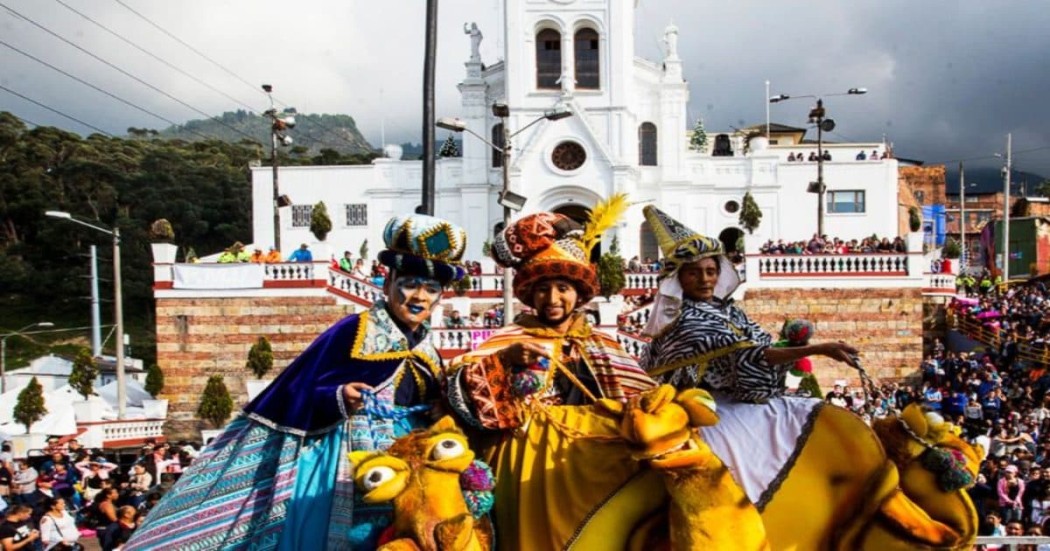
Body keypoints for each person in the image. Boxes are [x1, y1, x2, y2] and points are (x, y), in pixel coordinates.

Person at [124, 214, 468, 550]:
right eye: (410, 284)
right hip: (350, 452)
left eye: (432, 289)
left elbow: (432, 399)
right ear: (389, 280)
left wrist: (440, 406)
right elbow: (295, 389)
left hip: (411, 459)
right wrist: (338, 396)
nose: (419, 297)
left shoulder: (428, 346)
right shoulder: (352, 330)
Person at [446, 205, 654, 548]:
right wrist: (503, 362)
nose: (553, 298)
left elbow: (641, 397)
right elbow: (454, 388)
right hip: (525, 471)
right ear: (531, 295)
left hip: (595, 470)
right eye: (543, 289)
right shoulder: (510, 339)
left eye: (563, 287)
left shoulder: (601, 344)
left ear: (579, 293)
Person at [639, 205, 858, 403]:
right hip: (701, 406)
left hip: (736, 401)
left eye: (710, 271)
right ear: (678, 278)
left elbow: (764, 347)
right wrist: (819, 349)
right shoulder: (686, 320)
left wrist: (795, 346)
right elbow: (753, 355)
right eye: (694, 273)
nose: (705, 279)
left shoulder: (729, 310)